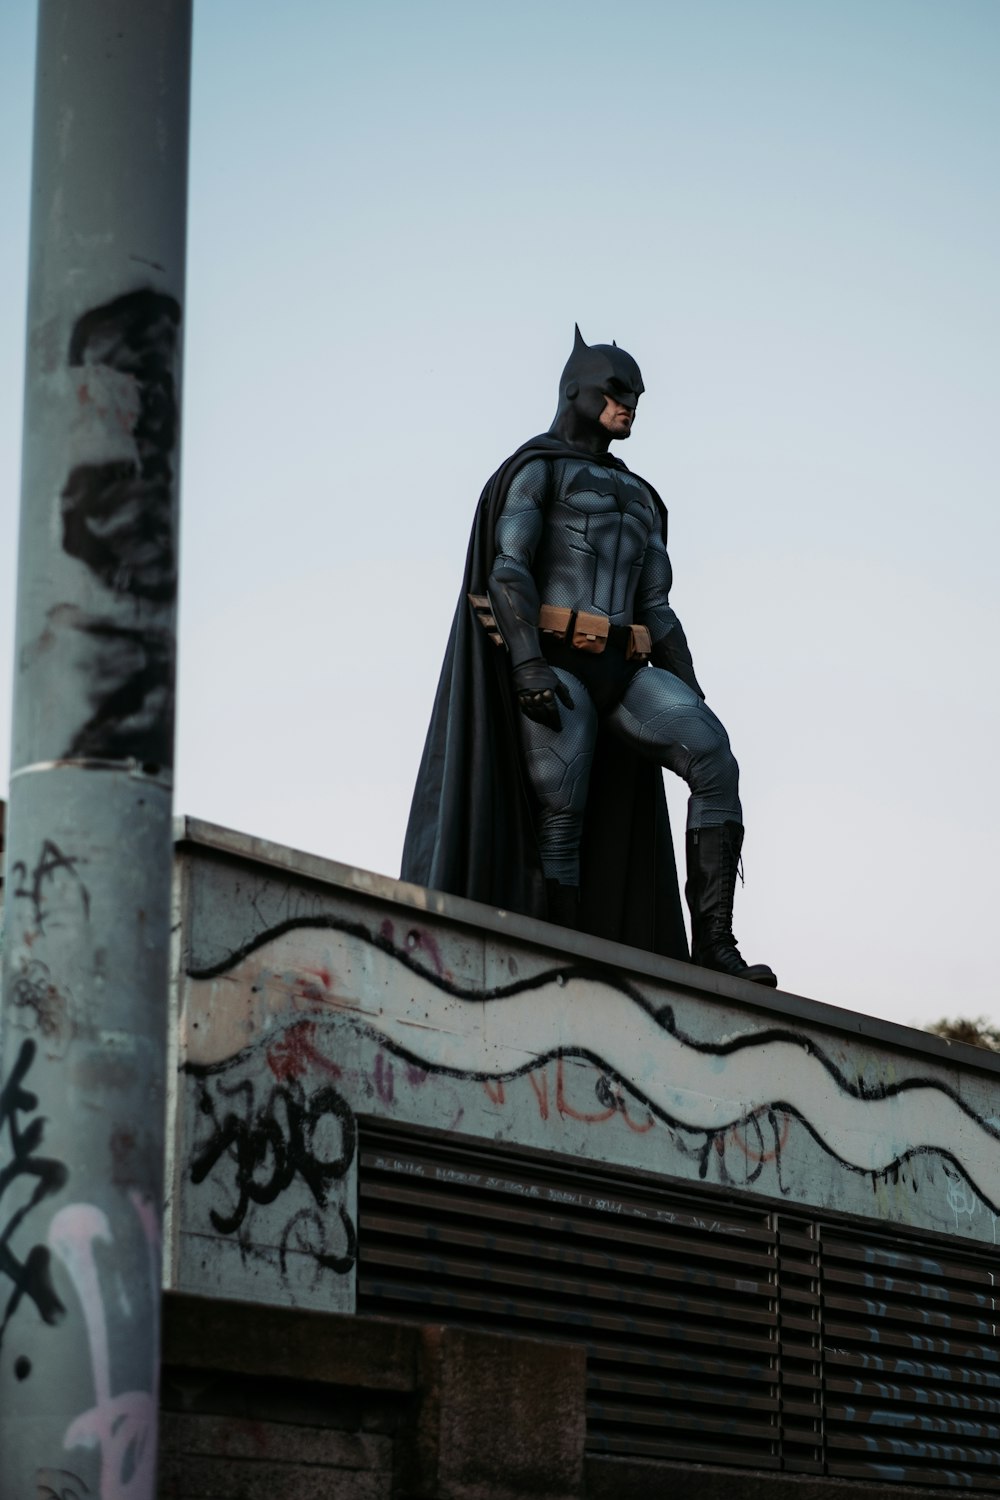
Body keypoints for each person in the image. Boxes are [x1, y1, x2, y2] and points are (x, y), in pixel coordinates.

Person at [402, 327, 776, 987]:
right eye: (615, 389)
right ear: (576, 391)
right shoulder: (535, 471)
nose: (628, 402)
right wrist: (525, 663)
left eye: (635, 393)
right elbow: (509, 570)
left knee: (714, 757)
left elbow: (656, 606)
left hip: (627, 671)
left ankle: (715, 947)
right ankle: (562, 949)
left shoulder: (644, 499)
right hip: (557, 660)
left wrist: (688, 687)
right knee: (562, 807)